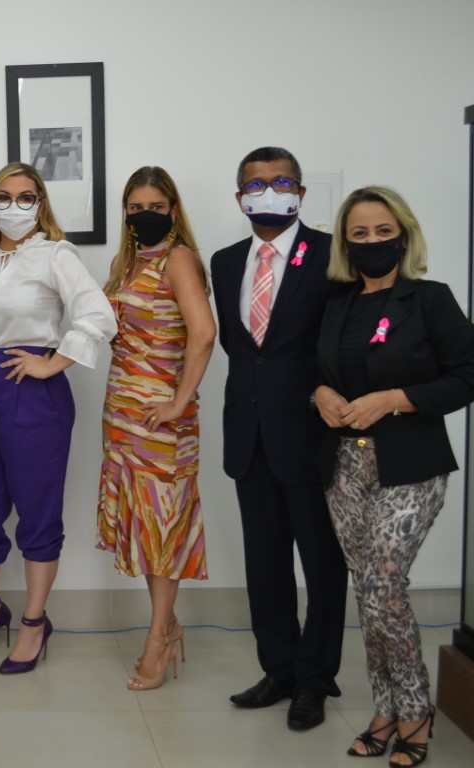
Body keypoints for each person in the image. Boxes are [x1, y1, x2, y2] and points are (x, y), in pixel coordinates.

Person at [314, 186, 474, 766]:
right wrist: (320, 391)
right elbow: (319, 369)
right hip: (344, 467)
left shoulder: (430, 299)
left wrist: (395, 399)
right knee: (367, 590)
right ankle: (383, 708)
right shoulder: (337, 304)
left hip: (410, 467)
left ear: (403, 237)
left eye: (383, 231)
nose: (372, 242)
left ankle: (414, 710)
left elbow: (467, 375)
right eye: (359, 233)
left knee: (384, 590)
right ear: (345, 243)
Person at [0, 162, 115, 675]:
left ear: (40, 204)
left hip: (35, 399)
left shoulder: (55, 254)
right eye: (3, 196)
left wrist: (52, 362)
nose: (13, 206)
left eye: (25, 197)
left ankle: (34, 623)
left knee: (37, 513)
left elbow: (99, 315)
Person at [210, 146, 347, 730]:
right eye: (256, 184)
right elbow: (242, 349)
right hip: (249, 435)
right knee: (264, 564)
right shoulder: (224, 261)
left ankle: (315, 680)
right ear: (240, 197)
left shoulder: (332, 255)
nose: (268, 191)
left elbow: (341, 342)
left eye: (281, 182)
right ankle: (280, 669)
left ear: (301, 193)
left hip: (312, 435)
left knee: (322, 565)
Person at [96, 166, 214, 690]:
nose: (145, 215)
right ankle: (167, 622)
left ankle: (158, 638)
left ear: (173, 210)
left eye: (156, 207)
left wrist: (178, 402)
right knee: (145, 528)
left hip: (162, 423)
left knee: (163, 529)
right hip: (123, 417)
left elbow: (204, 334)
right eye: (136, 207)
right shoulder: (124, 263)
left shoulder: (179, 258)